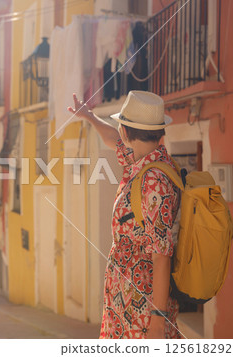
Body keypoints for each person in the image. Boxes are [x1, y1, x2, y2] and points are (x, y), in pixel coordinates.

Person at [69, 90, 181, 339]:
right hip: (127, 304)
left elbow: (161, 255)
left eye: (120, 127)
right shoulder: (144, 162)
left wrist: (158, 320)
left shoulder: (154, 180)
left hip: (141, 310)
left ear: (127, 131)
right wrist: (90, 117)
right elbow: (112, 141)